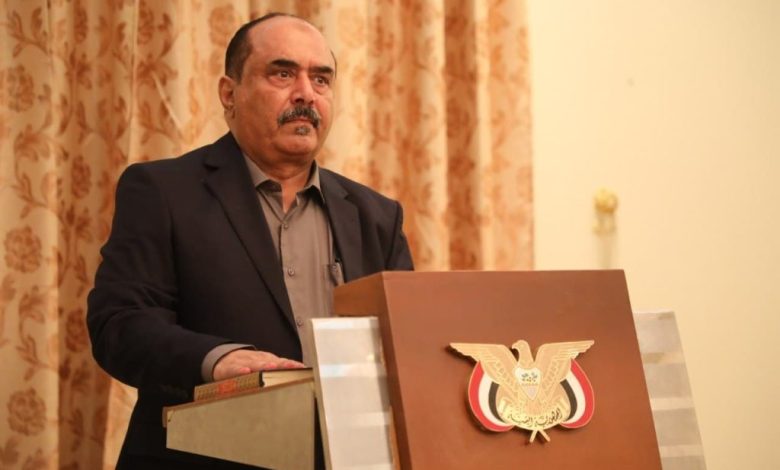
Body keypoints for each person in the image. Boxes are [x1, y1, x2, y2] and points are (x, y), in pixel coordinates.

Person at [87, 12, 413, 469]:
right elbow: (120, 325)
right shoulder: (163, 192)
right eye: (282, 74)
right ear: (229, 93)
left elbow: (405, 345)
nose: (306, 94)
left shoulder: (376, 215)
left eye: (321, 79)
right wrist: (219, 361)